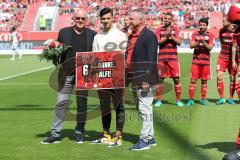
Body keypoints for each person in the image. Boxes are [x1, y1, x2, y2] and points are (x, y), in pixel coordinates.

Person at [41, 8, 96, 144]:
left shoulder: (93, 34)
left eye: (83, 19)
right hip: (66, 75)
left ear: (86, 20)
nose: (80, 20)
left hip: (84, 75)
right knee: (61, 103)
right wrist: (56, 62)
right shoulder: (64, 32)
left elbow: (96, 55)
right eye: (78, 18)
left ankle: (79, 132)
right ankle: (55, 133)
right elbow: (57, 51)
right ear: (74, 18)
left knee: (82, 105)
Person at [90, 7, 127, 147]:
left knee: (118, 105)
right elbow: (94, 57)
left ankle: (118, 135)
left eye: (108, 18)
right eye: (103, 19)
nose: (105, 21)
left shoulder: (120, 35)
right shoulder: (97, 36)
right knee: (104, 106)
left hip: (116, 76)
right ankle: (106, 134)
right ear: (100, 20)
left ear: (113, 18)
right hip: (102, 76)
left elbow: (123, 55)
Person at [127, 9, 158, 151]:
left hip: (145, 79)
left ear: (140, 20)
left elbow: (152, 59)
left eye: (132, 19)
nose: (129, 21)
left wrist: (146, 80)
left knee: (144, 109)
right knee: (144, 109)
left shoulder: (149, 36)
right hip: (135, 77)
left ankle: (144, 140)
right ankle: (150, 138)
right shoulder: (132, 36)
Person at [154, 12, 184, 107]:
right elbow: (157, 42)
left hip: (173, 59)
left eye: (168, 19)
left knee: (176, 79)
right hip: (162, 59)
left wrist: (172, 36)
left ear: (171, 20)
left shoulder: (176, 29)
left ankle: (178, 100)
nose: (166, 20)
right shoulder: (159, 30)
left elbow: (179, 42)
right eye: (165, 18)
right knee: (160, 80)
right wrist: (167, 36)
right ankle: (159, 100)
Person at [186, 18, 214, 106]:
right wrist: (199, 42)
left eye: (203, 25)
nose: (202, 27)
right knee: (193, 80)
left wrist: (204, 43)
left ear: (207, 26)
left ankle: (203, 99)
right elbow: (191, 46)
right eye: (201, 25)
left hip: (206, 63)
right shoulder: (195, 34)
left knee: (204, 81)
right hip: (195, 62)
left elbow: (210, 48)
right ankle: (191, 99)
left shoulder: (210, 35)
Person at [215, 15, 237, 105]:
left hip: (233, 58)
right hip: (222, 57)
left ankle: (231, 98)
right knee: (219, 76)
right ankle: (221, 98)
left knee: (232, 78)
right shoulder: (221, 31)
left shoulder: (236, 31)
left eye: (224, 21)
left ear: (229, 22)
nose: (222, 23)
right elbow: (221, 42)